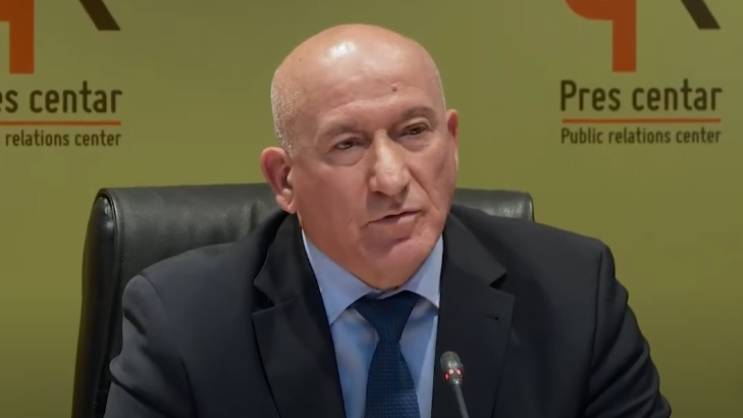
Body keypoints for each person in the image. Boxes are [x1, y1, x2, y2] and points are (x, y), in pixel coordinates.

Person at [104, 24, 671, 418]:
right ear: (285, 180)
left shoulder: (575, 294)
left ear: (451, 141)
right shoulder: (184, 322)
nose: (391, 178)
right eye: (348, 144)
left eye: (414, 131)